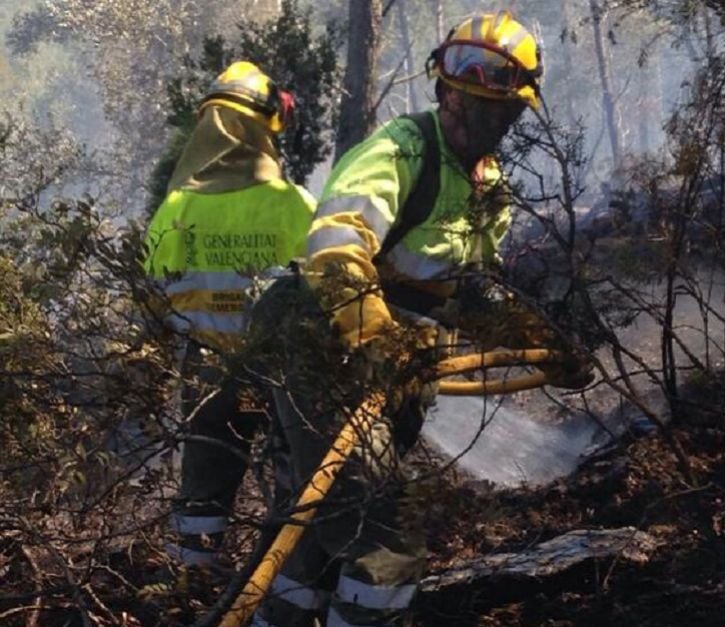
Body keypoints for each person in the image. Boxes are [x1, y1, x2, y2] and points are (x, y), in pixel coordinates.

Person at [251, 11, 593, 626]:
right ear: (443, 88)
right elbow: (335, 247)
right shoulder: (400, 150)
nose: (471, 110)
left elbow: (469, 292)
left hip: (394, 370)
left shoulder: (491, 188)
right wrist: (378, 337)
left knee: (317, 530)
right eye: (462, 92)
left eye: (491, 102)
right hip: (328, 347)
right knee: (383, 537)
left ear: (515, 112)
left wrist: (543, 342)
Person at [143, 60, 315, 570]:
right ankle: (282, 582)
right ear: (266, 128)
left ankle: (190, 579)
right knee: (295, 484)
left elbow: (153, 293)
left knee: (203, 484)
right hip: (282, 375)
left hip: (207, 371)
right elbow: (325, 290)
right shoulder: (293, 204)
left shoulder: (177, 208)